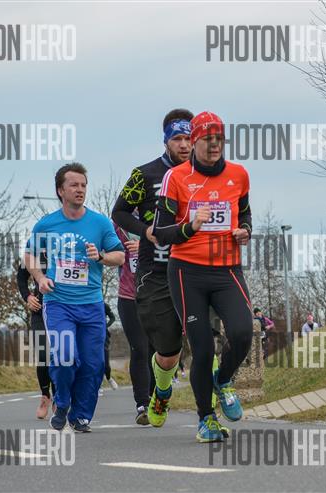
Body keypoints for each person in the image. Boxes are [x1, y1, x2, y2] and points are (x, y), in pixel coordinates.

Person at [154, 110, 253, 443]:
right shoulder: (176, 177)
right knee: (203, 348)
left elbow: (245, 213)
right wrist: (190, 226)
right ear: (194, 142)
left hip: (227, 269)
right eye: (207, 140)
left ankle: (223, 380)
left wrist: (245, 231)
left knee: (243, 332)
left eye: (219, 140)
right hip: (187, 271)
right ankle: (205, 419)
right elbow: (161, 231)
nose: (214, 146)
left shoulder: (239, 174)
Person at [25, 162, 125, 433]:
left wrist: (101, 256)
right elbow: (29, 255)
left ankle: (80, 416)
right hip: (58, 303)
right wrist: (40, 278)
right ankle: (62, 401)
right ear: (61, 190)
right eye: (74, 185)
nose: (80, 190)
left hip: (91, 304)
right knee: (65, 355)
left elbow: (120, 256)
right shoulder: (47, 224)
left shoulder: (99, 223)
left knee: (93, 364)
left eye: (83, 185)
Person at [111, 109, 194, 428]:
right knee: (155, 346)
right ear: (166, 140)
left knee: (204, 339)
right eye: (178, 139)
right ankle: (150, 397)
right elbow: (119, 212)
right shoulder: (144, 174)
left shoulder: (205, 176)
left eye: (189, 138)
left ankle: (210, 407)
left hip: (196, 269)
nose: (184, 145)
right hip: (155, 271)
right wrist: (144, 231)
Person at [114, 221, 154, 424]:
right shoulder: (118, 225)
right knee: (139, 348)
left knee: (159, 350)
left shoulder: (161, 218)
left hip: (158, 296)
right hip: (129, 297)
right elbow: (109, 253)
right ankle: (143, 404)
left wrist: (145, 246)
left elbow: (176, 247)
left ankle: (157, 397)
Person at [16, 257, 56, 419]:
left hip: (61, 310)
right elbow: (21, 277)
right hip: (39, 310)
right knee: (43, 354)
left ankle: (58, 395)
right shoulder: (34, 254)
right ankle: (45, 395)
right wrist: (28, 297)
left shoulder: (66, 249)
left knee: (59, 356)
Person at [101, 302, 119, 392]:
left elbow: (113, 317)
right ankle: (98, 385)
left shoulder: (104, 305)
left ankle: (108, 378)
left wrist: (105, 326)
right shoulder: (87, 304)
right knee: (95, 362)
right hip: (91, 334)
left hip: (104, 335)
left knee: (105, 363)